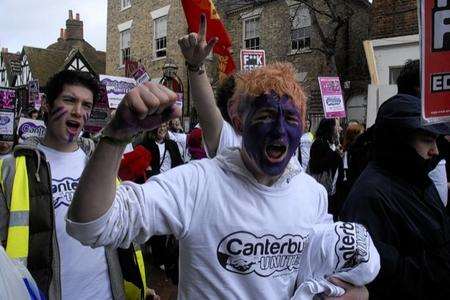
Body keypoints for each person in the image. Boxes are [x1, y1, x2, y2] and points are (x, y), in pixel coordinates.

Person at [65, 52, 377, 299]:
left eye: (291, 118)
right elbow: (91, 225)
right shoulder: (198, 184)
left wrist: (352, 290)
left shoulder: (312, 194)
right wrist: (116, 135)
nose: (280, 130)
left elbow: (319, 271)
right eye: (266, 116)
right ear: (239, 121)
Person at [0, 70, 147, 300]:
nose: (78, 112)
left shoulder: (101, 160)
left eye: (86, 105)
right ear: (47, 105)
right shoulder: (12, 168)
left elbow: (120, 228)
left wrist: (138, 287)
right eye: (69, 100)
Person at [340, 94, 450, 299]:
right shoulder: (369, 196)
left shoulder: (417, 178)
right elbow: (379, 277)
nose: (435, 150)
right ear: (399, 140)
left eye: (435, 140)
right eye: (427, 140)